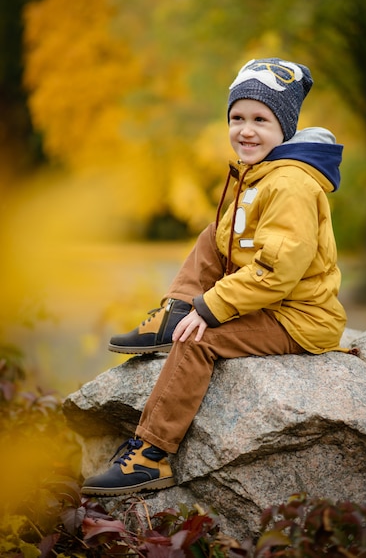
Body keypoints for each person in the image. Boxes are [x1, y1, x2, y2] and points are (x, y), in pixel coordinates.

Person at [81, 57, 350, 497]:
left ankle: (150, 456)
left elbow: (276, 271)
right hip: (271, 303)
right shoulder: (260, 176)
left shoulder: (292, 186)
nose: (246, 129)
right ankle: (173, 313)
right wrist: (193, 302)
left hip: (299, 318)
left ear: (285, 128)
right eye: (237, 118)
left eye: (260, 119)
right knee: (214, 233)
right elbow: (230, 244)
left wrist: (210, 309)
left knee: (197, 340)